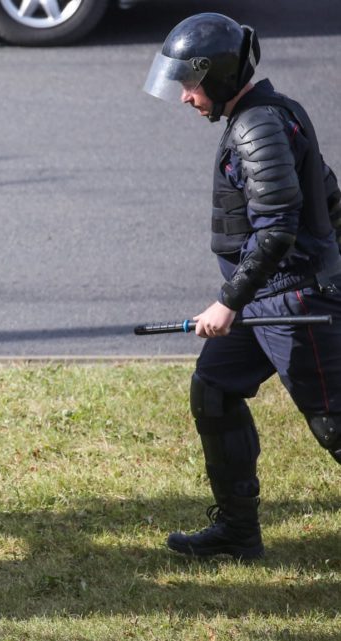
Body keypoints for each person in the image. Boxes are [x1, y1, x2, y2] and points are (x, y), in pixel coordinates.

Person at [143, 13, 341, 559]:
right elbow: (327, 195)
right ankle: (237, 532)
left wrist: (228, 302)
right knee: (215, 390)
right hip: (266, 296)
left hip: (293, 297)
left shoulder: (256, 126)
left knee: (334, 426)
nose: (185, 97)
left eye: (191, 83)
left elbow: (278, 227)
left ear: (222, 75)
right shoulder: (269, 115)